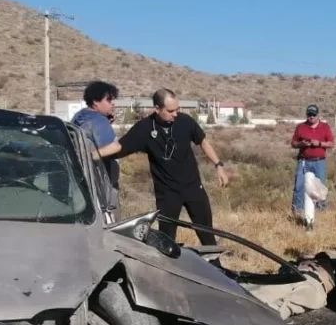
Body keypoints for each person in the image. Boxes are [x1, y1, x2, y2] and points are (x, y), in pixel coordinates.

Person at [96, 88, 230, 249]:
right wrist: (92, 155)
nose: (175, 114)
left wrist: (218, 165)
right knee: (166, 241)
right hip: (167, 193)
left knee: (207, 234)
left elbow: (203, 142)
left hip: (193, 187)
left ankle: (216, 268)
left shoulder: (185, 122)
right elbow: (119, 146)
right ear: (157, 109)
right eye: (170, 111)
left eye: (177, 110)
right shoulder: (144, 128)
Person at [71, 81, 120, 217]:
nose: (112, 104)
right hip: (102, 184)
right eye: (109, 100)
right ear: (95, 102)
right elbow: (112, 150)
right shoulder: (100, 121)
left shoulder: (79, 117)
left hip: (82, 182)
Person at [290, 104, 334, 219]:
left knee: (319, 187)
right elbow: (293, 143)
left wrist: (318, 143)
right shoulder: (301, 127)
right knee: (299, 186)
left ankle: (320, 212)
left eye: (313, 115)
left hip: (319, 162)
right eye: (309, 114)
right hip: (303, 161)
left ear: (318, 115)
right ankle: (297, 211)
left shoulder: (325, 127)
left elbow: (331, 143)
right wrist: (301, 144)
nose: (311, 117)